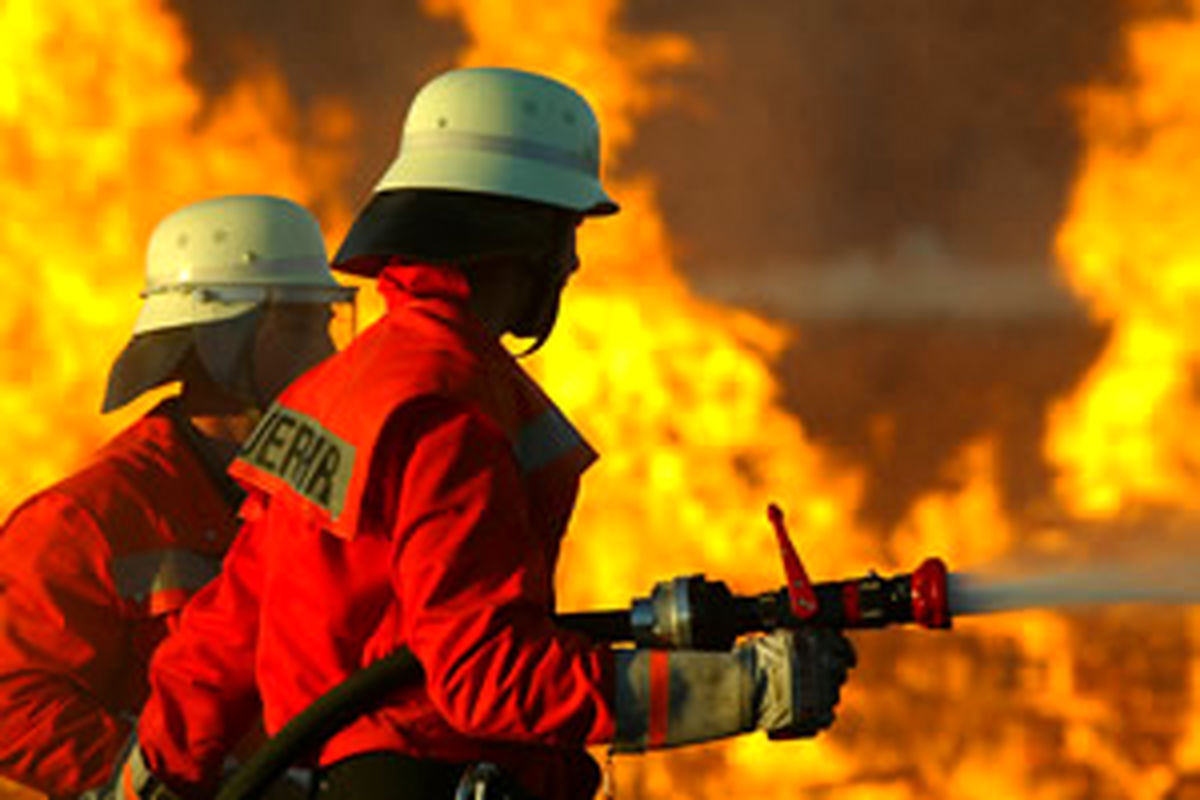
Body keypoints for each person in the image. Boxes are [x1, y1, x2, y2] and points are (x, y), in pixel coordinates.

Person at [121, 68, 856, 800]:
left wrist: (151, 777)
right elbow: (486, 676)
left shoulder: (337, 389)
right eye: (564, 232)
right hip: (430, 777)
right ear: (513, 238)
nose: (570, 261)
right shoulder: (447, 406)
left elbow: (229, 627)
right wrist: (750, 688)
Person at [0, 194, 355, 799]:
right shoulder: (90, 518)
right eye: (300, 327)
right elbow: (12, 699)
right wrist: (164, 782)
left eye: (327, 325)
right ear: (223, 340)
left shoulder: (328, 493)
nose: (328, 355)